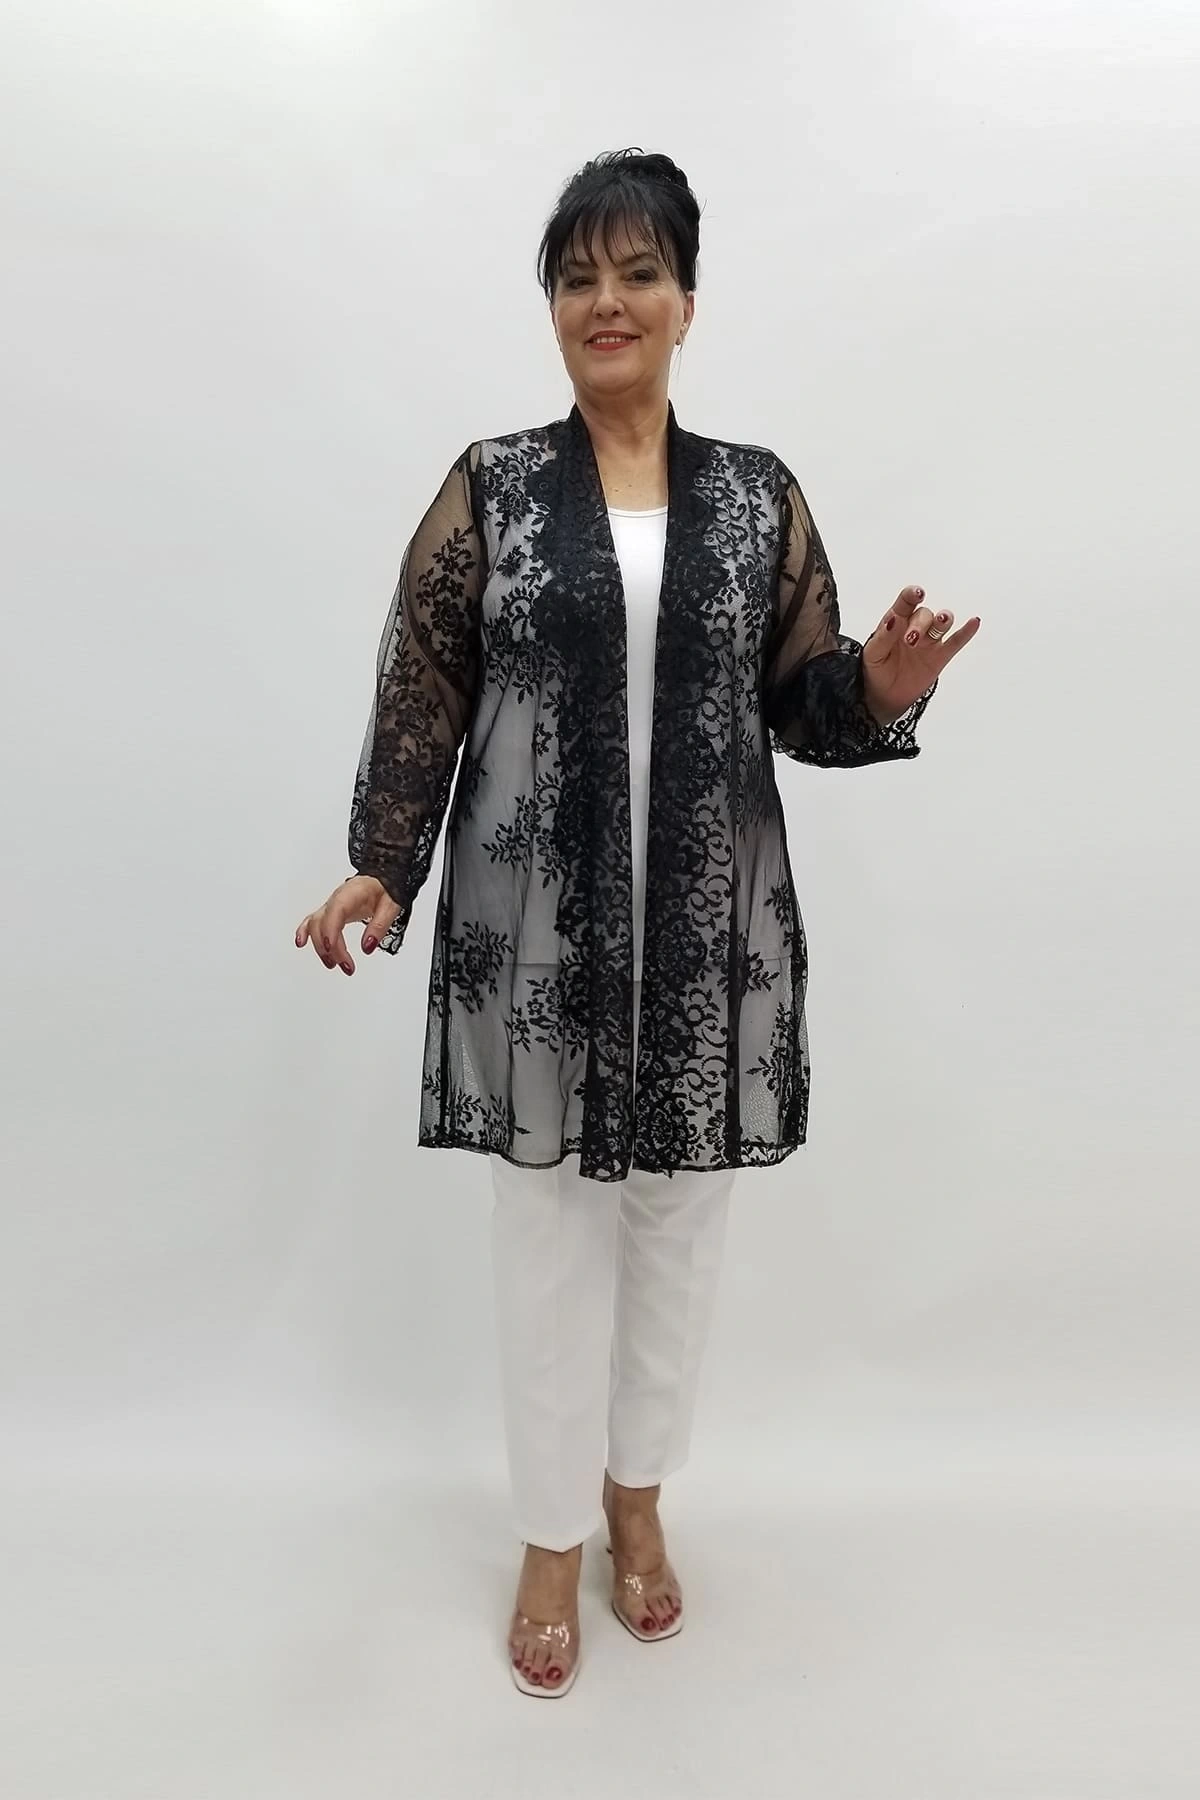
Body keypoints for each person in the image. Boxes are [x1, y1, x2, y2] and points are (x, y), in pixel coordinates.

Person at [294, 148, 980, 1698]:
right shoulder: (492, 489)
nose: (607, 301)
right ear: (553, 306)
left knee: (679, 1230)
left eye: (638, 273)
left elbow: (805, 698)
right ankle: (550, 1538)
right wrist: (381, 865)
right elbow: (426, 685)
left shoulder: (752, 497)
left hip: (703, 942)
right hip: (538, 938)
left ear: (687, 300)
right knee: (545, 1237)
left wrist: (876, 689)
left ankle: (636, 1498)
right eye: (577, 277)